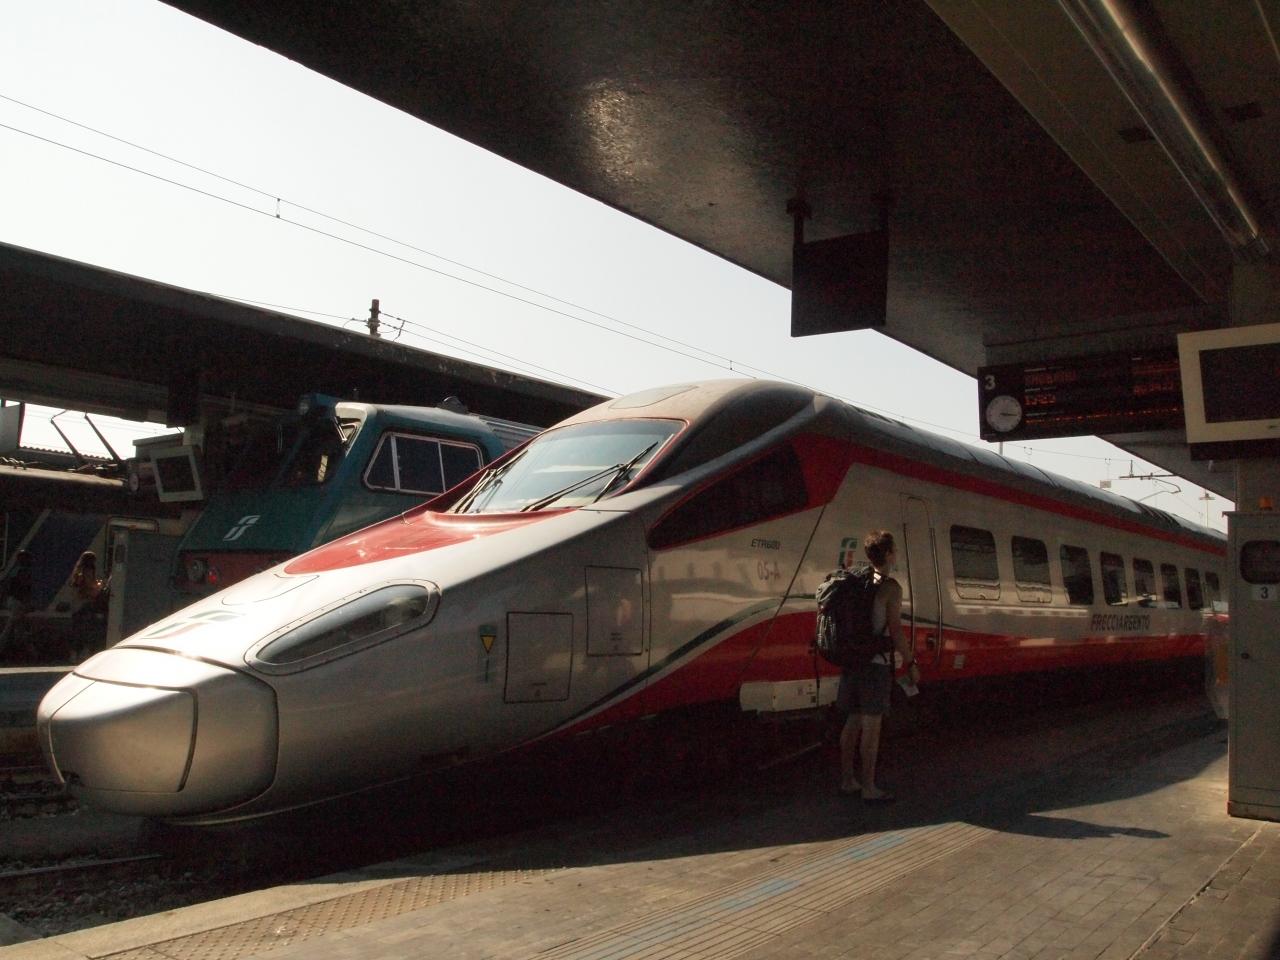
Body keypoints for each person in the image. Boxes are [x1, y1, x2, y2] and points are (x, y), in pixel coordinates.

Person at [837, 530, 918, 803]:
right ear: (889, 554)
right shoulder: (891, 588)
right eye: (894, 550)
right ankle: (869, 787)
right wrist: (910, 661)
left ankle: (848, 780)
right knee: (871, 729)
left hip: (852, 662)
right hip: (875, 665)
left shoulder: (856, 582)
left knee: (852, 723)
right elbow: (895, 630)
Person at [0, 550, 35, 658]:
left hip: (13, 600)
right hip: (17, 601)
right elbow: (24, 588)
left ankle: (22, 649)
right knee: (12, 625)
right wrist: (27, 602)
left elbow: (8, 587)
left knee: (18, 627)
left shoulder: (14, 570)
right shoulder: (23, 571)